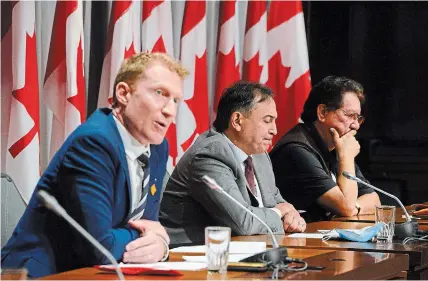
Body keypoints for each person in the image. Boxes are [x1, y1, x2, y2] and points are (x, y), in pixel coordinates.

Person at [1, 52, 189, 278]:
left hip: (104, 272)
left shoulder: (157, 147)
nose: (170, 111)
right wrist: (153, 237)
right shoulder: (94, 143)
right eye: (160, 93)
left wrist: (160, 244)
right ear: (123, 93)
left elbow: (149, 226)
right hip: (42, 274)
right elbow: (99, 246)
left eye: (176, 100)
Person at [159, 81, 306, 245]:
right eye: (267, 120)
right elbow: (242, 223)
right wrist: (279, 213)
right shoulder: (210, 154)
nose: (274, 130)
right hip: (191, 256)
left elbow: (277, 202)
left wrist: (290, 214)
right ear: (237, 120)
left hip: (243, 251)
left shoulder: (259, 155)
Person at [270, 76, 380, 222]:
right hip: (297, 241)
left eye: (358, 118)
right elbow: (346, 208)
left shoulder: (336, 145)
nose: (356, 126)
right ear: (322, 112)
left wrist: (356, 207)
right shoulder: (296, 150)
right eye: (349, 116)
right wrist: (346, 158)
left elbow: (374, 199)